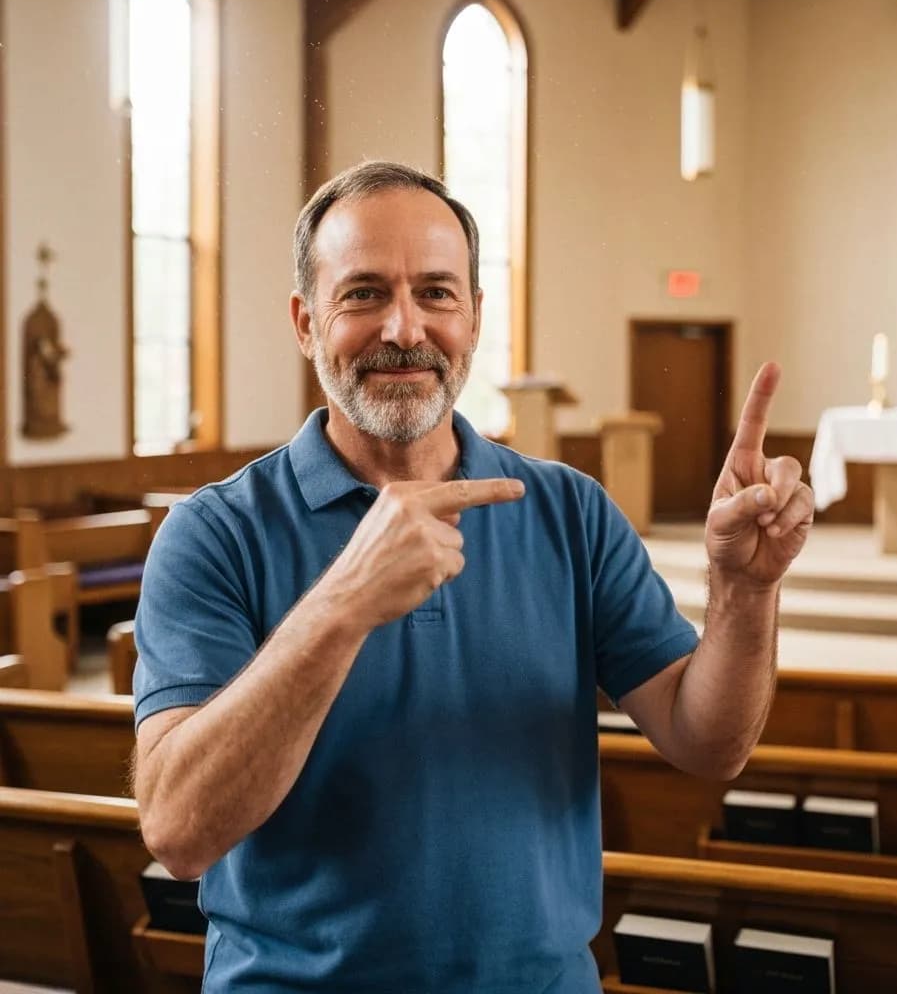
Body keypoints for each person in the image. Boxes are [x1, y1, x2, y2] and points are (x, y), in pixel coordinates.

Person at [132, 160, 814, 993]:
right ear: (305, 321)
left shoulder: (571, 511)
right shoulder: (216, 533)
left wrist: (745, 592)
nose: (405, 329)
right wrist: (343, 605)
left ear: (477, 317)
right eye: (364, 294)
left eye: (437, 293)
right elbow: (179, 830)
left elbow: (710, 745)